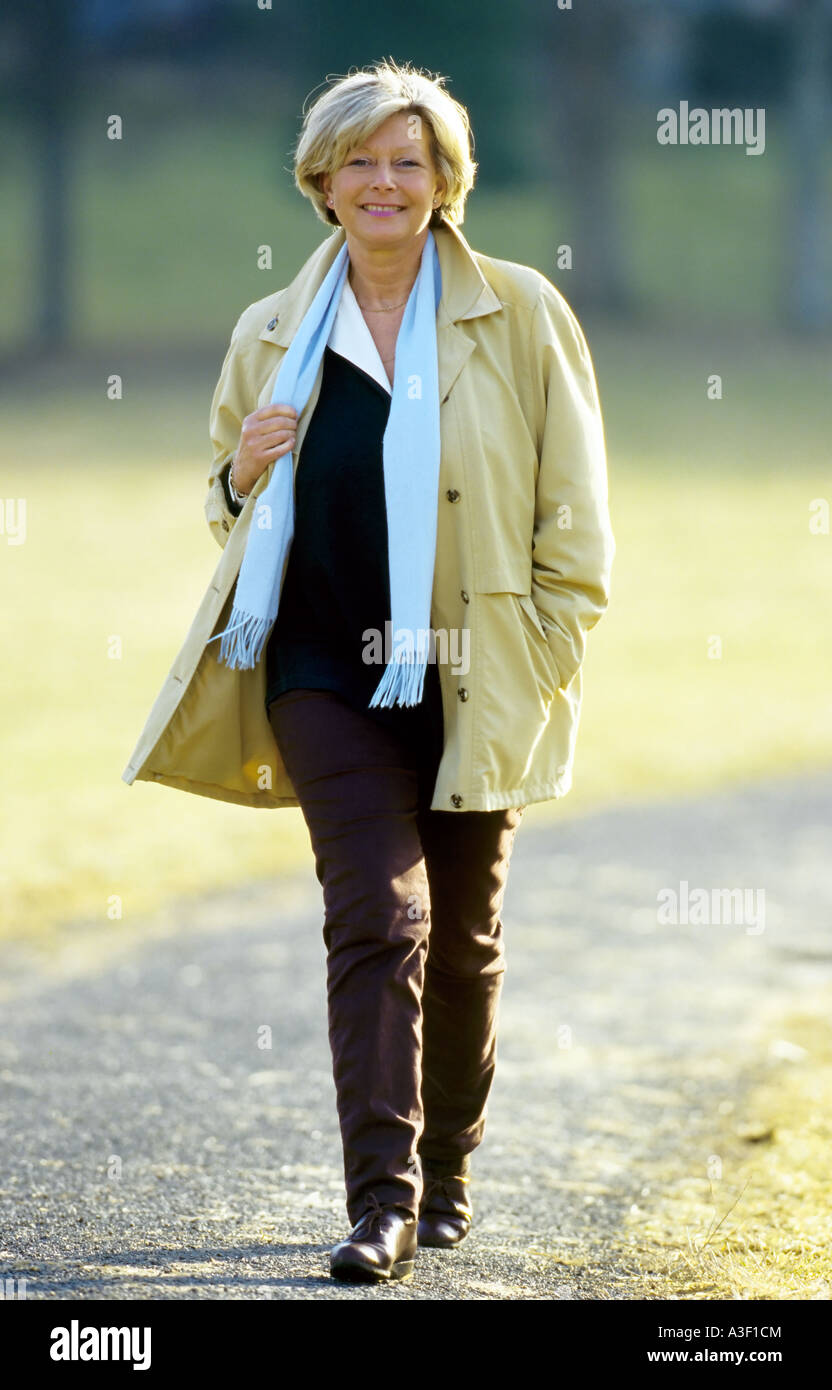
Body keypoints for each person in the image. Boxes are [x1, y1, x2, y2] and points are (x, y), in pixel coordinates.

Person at [121, 59, 615, 1286]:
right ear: (322, 182)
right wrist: (238, 474)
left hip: (474, 670)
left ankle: (450, 1168)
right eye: (361, 161)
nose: (384, 181)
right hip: (319, 668)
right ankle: (380, 1204)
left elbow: (578, 520)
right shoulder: (270, 333)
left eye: (408, 160)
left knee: (464, 942)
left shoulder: (521, 312)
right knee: (380, 919)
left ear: (445, 180)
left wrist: (544, 648)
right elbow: (226, 506)